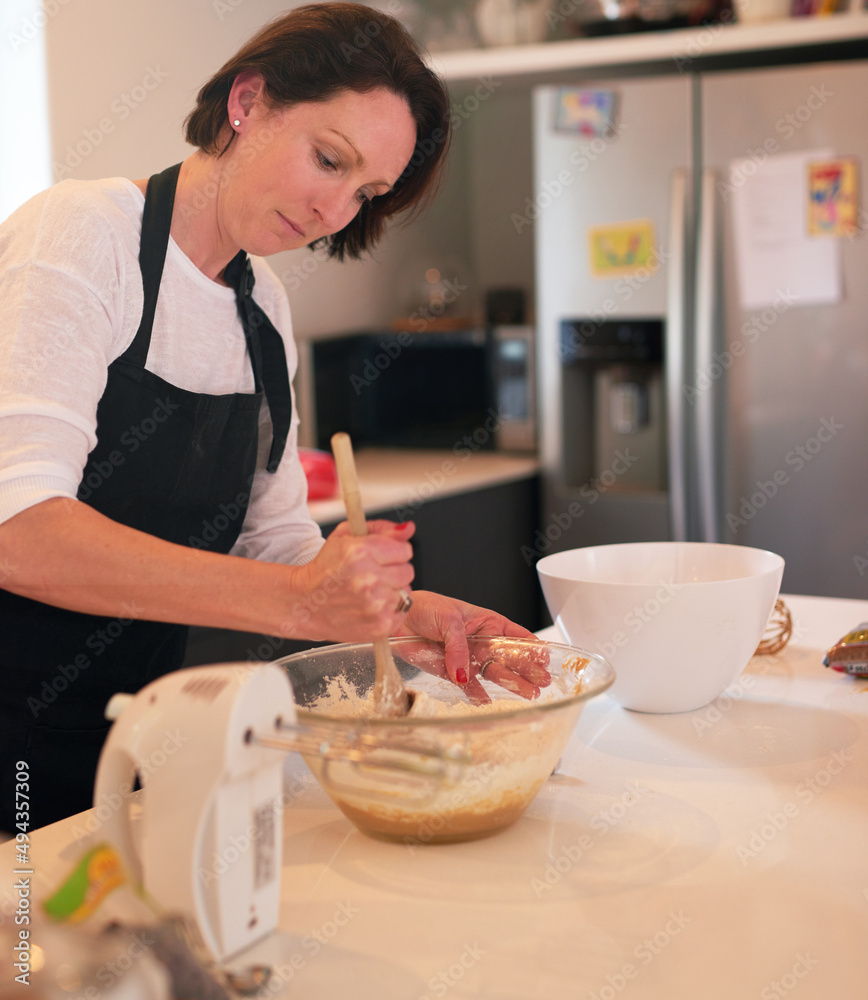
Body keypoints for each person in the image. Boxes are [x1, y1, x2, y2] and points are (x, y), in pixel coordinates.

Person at [0, 3, 548, 833]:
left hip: (113, 738)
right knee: (25, 958)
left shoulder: (263, 312)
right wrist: (299, 602)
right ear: (246, 103)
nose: (336, 211)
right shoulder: (83, 235)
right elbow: (22, 531)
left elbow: (278, 544)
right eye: (329, 160)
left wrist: (406, 620)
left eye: (365, 193)